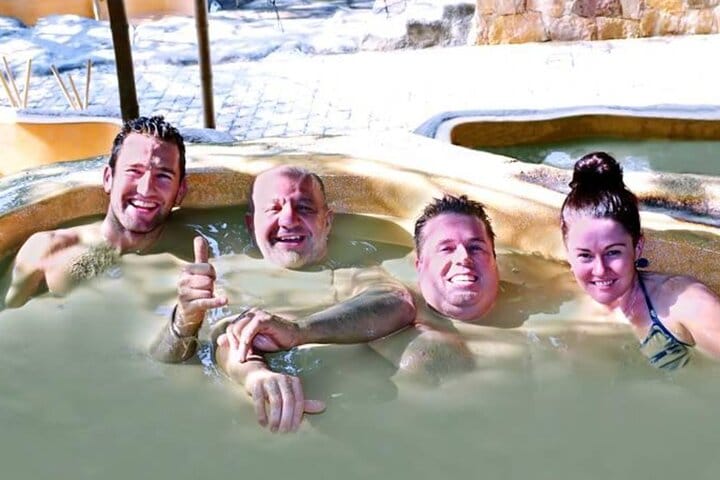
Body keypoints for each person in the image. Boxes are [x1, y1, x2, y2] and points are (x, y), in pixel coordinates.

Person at [150, 165, 416, 432]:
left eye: (305, 208)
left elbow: (396, 303)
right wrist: (186, 320)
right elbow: (174, 358)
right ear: (251, 224)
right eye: (273, 209)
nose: (288, 220)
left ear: (327, 221)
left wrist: (299, 331)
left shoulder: (348, 268)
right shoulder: (217, 271)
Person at [4, 116, 187, 309]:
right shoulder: (45, 248)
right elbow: (8, 316)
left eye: (163, 176)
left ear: (180, 191)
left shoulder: (190, 262)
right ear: (108, 178)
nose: (146, 189)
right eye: (134, 171)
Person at [560, 152, 720, 369]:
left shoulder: (683, 302)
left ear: (637, 246)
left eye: (612, 252)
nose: (600, 270)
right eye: (585, 255)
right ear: (568, 253)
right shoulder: (569, 301)